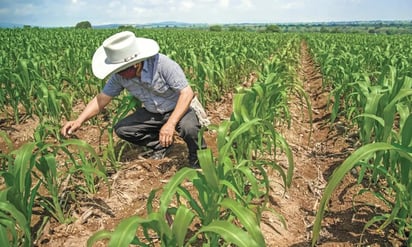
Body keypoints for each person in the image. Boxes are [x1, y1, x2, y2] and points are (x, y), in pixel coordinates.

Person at [61, 31, 208, 168]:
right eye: (118, 71)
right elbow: (102, 99)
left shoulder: (163, 64)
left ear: (137, 63)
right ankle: (160, 145)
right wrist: (79, 120)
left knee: (189, 128)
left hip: (179, 108)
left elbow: (186, 93)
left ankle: (198, 159)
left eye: (125, 70)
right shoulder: (119, 75)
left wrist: (170, 124)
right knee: (123, 129)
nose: (122, 75)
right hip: (153, 112)